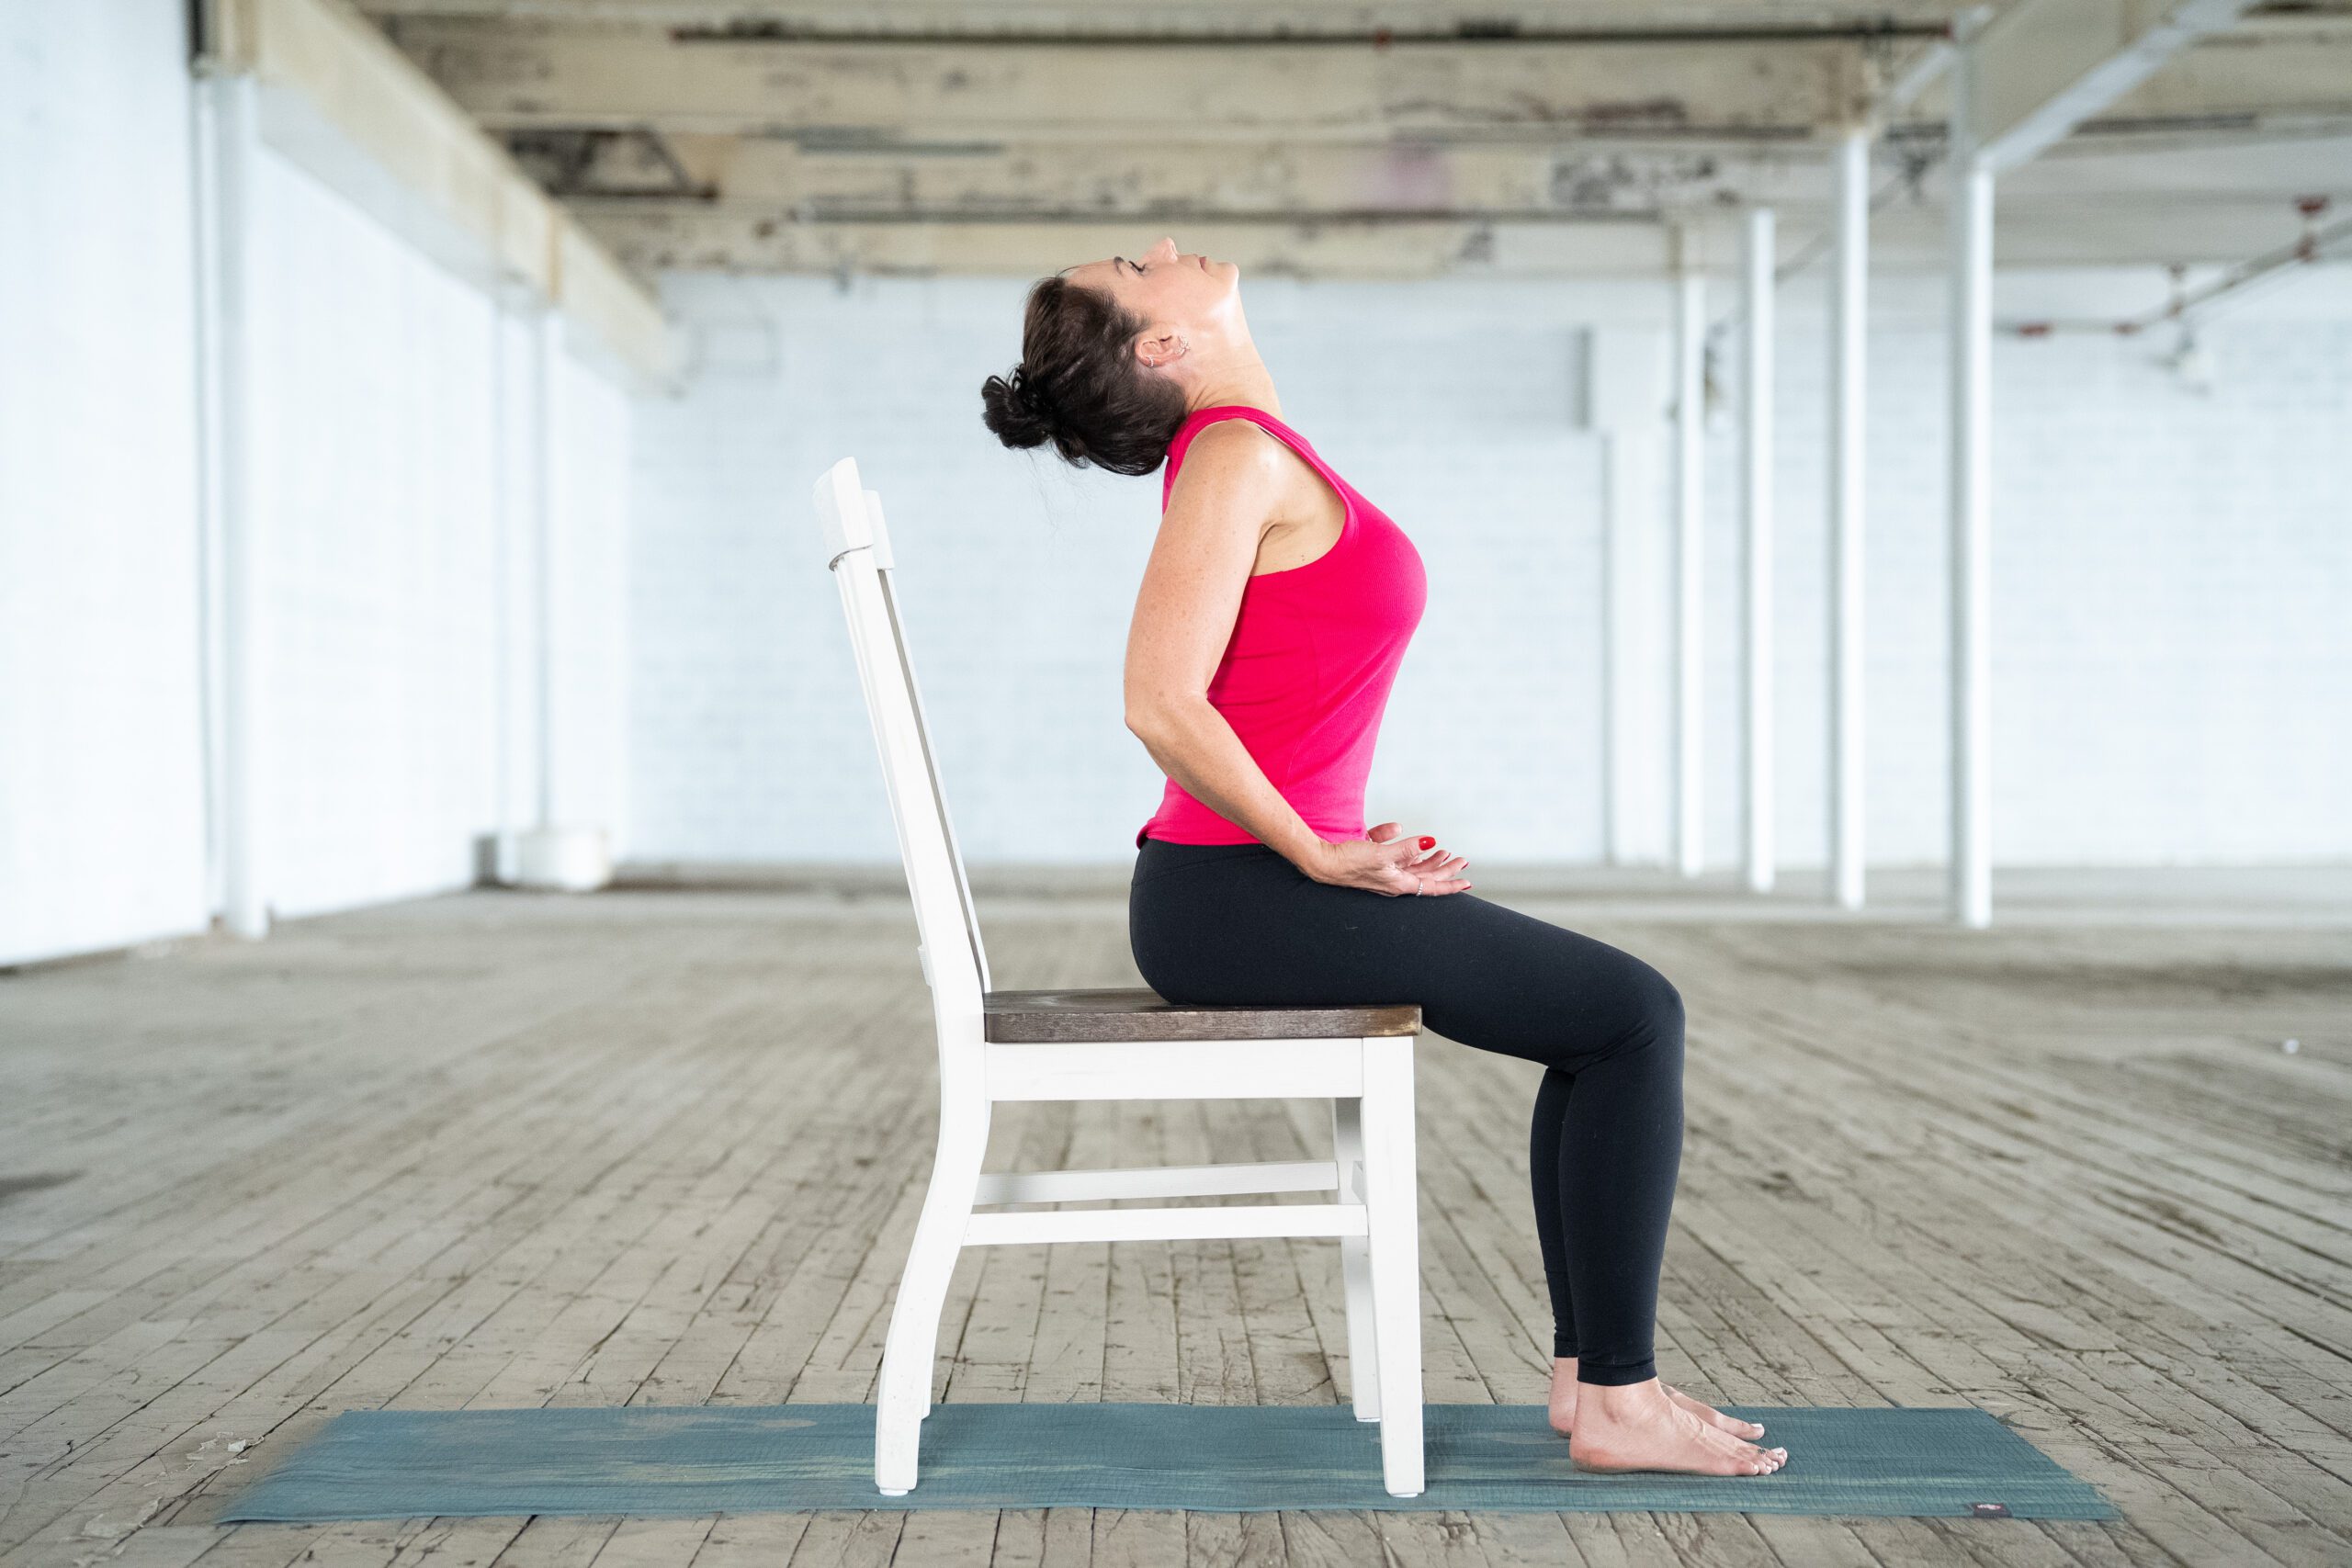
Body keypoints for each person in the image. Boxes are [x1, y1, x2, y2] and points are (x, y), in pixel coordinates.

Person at [978, 235, 1785, 1478]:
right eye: (1137, 268)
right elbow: (1158, 700)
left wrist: (1340, 836)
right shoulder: (1234, 458)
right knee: (1634, 1016)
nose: (1159, 247)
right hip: (1236, 896)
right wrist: (1317, 851)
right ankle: (1618, 1392)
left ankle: (1593, 1383)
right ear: (1162, 344)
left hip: (1257, 883)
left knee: (1603, 1024)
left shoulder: (1254, 456)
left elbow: (1273, 698)